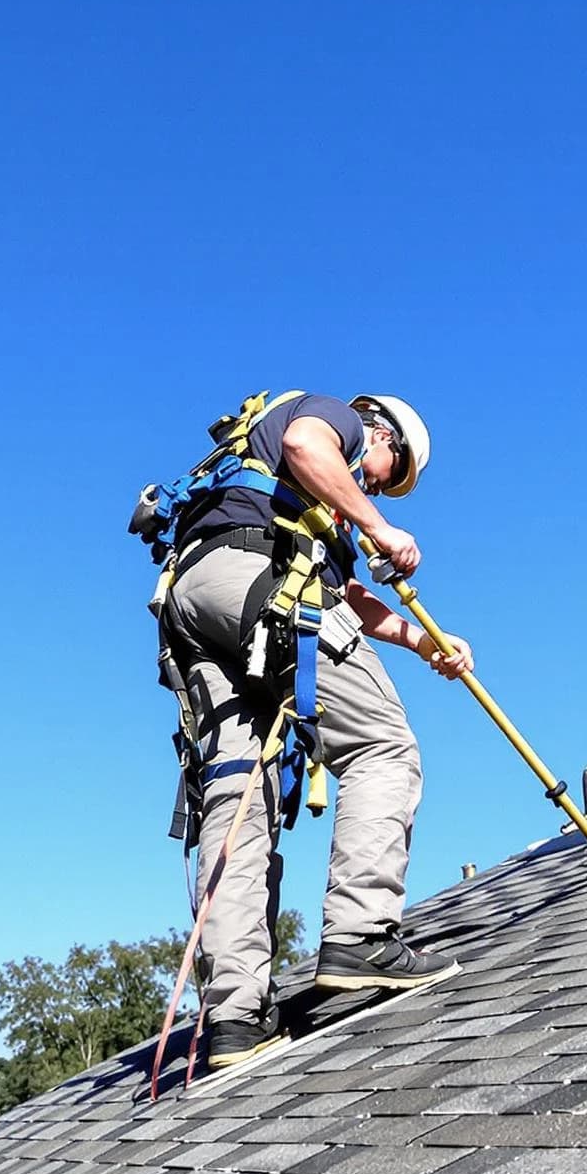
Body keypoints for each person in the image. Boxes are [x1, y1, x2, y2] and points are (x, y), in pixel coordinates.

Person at [160, 392, 471, 1067]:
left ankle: (237, 1016)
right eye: (388, 473)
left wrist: (423, 642)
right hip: (260, 583)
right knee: (381, 743)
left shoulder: (286, 503)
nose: (375, 484)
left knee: (240, 795)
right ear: (382, 435)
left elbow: (347, 597)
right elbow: (308, 444)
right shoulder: (333, 418)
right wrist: (381, 527)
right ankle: (361, 935)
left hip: (198, 602)